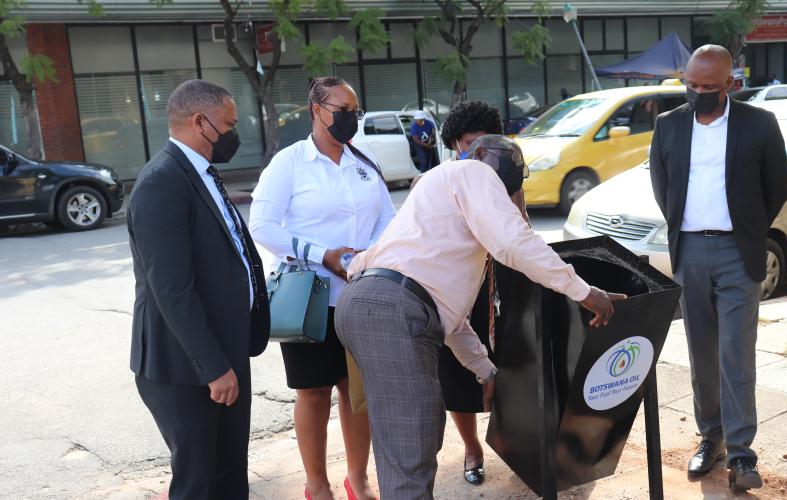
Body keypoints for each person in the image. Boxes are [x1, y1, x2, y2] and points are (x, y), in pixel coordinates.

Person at [335, 134, 627, 499]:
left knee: (403, 434)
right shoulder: (471, 171)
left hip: (371, 304)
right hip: (391, 308)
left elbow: (451, 323)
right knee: (413, 441)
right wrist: (586, 293)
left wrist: (486, 371)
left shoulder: (448, 211)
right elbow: (514, 242)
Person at [649, 45, 787, 492]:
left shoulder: (759, 124)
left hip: (737, 252)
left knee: (735, 354)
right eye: (692, 86)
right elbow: (662, 185)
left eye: (709, 87)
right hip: (689, 252)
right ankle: (711, 438)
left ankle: (743, 456)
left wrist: (746, 230)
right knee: (701, 353)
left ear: (731, 83)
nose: (699, 93)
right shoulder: (668, 125)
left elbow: (776, 188)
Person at [127, 79, 271, 499]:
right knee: (198, 483)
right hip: (187, 367)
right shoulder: (161, 182)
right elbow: (172, 289)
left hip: (224, 353)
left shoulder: (202, 172)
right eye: (228, 124)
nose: (234, 133)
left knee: (229, 476)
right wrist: (212, 366)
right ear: (199, 121)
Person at [249, 76, 388, 500]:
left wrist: (369, 256)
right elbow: (263, 227)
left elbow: (388, 219)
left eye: (354, 112)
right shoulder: (288, 164)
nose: (349, 119)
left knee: (355, 391)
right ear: (315, 111)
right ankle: (316, 484)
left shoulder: (364, 163)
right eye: (340, 111)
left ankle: (358, 479)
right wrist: (321, 253)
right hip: (309, 297)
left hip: (360, 295)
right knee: (313, 391)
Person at [433, 101, 522, 486]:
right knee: (457, 372)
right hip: (455, 288)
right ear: (456, 143)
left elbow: (521, 233)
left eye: (486, 142)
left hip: (500, 284)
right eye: (471, 142)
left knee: (514, 365)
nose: (479, 151)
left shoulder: (505, 172)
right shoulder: (438, 179)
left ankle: (518, 443)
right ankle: (472, 447)